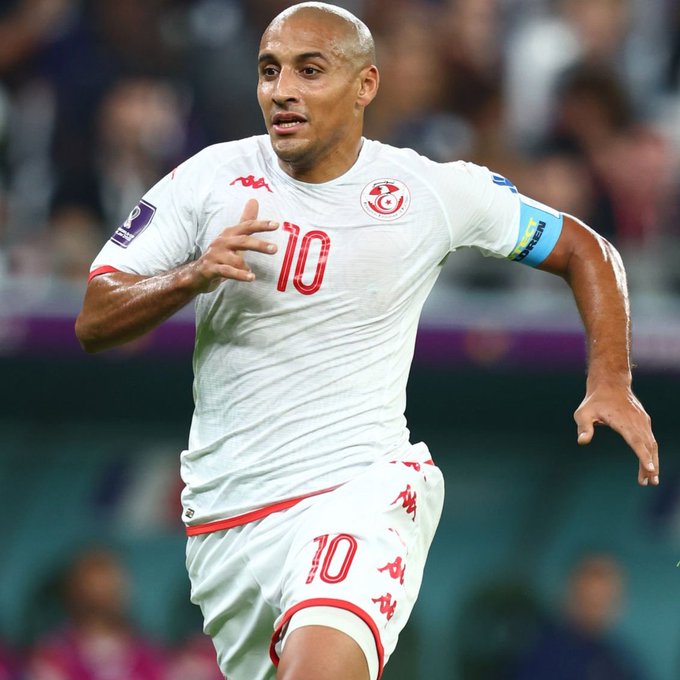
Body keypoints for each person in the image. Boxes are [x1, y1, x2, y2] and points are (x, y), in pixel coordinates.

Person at [75, 3, 659, 679]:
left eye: (309, 70)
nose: (282, 90)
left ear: (365, 85)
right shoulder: (210, 178)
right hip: (227, 522)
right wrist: (191, 275)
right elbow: (96, 316)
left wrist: (611, 378)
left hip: (359, 491)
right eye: (269, 70)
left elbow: (586, 249)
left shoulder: (429, 191)